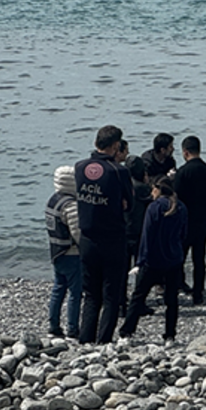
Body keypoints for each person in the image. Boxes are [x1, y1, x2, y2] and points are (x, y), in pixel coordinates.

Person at [75, 125, 131, 343]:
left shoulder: (79, 167)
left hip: (87, 238)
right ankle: (104, 340)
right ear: (116, 146)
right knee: (111, 295)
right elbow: (129, 204)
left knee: (91, 295)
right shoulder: (119, 171)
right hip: (112, 238)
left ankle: (85, 338)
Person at [119, 178, 188, 341]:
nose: (151, 192)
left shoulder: (154, 207)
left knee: (138, 296)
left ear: (158, 189)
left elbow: (147, 236)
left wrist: (141, 261)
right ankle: (170, 334)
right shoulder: (181, 207)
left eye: (153, 189)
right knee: (171, 299)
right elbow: (184, 234)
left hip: (153, 260)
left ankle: (127, 330)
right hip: (174, 259)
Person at [172, 135, 206, 304]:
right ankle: (198, 292)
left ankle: (178, 285)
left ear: (185, 152)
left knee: (180, 255)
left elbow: (175, 198)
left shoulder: (183, 172)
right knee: (199, 257)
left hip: (185, 221)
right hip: (203, 221)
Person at [45, 165, 82, 339]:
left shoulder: (52, 200)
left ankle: (53, 325)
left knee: (58, 288)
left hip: (56, 252)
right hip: (71, 252)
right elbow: (77, 232)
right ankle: (72, 328)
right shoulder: (71, 205)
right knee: (75, 292)